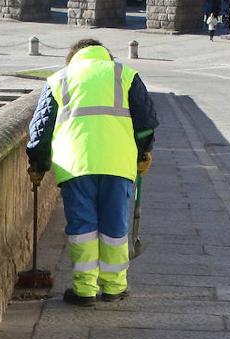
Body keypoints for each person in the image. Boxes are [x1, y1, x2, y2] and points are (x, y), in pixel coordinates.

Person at [26, 39, 158, 306]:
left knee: (82, 226)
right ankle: (114, 286)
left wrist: (38, 166)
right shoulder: (124, 74)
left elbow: (40, 134)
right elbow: (145, 124)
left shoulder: (58, 80)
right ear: (105, 57)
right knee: (115, 226)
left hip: (75, 165)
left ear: (73, 58)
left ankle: (84, 290)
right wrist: (143, 153)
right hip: (118, 163)